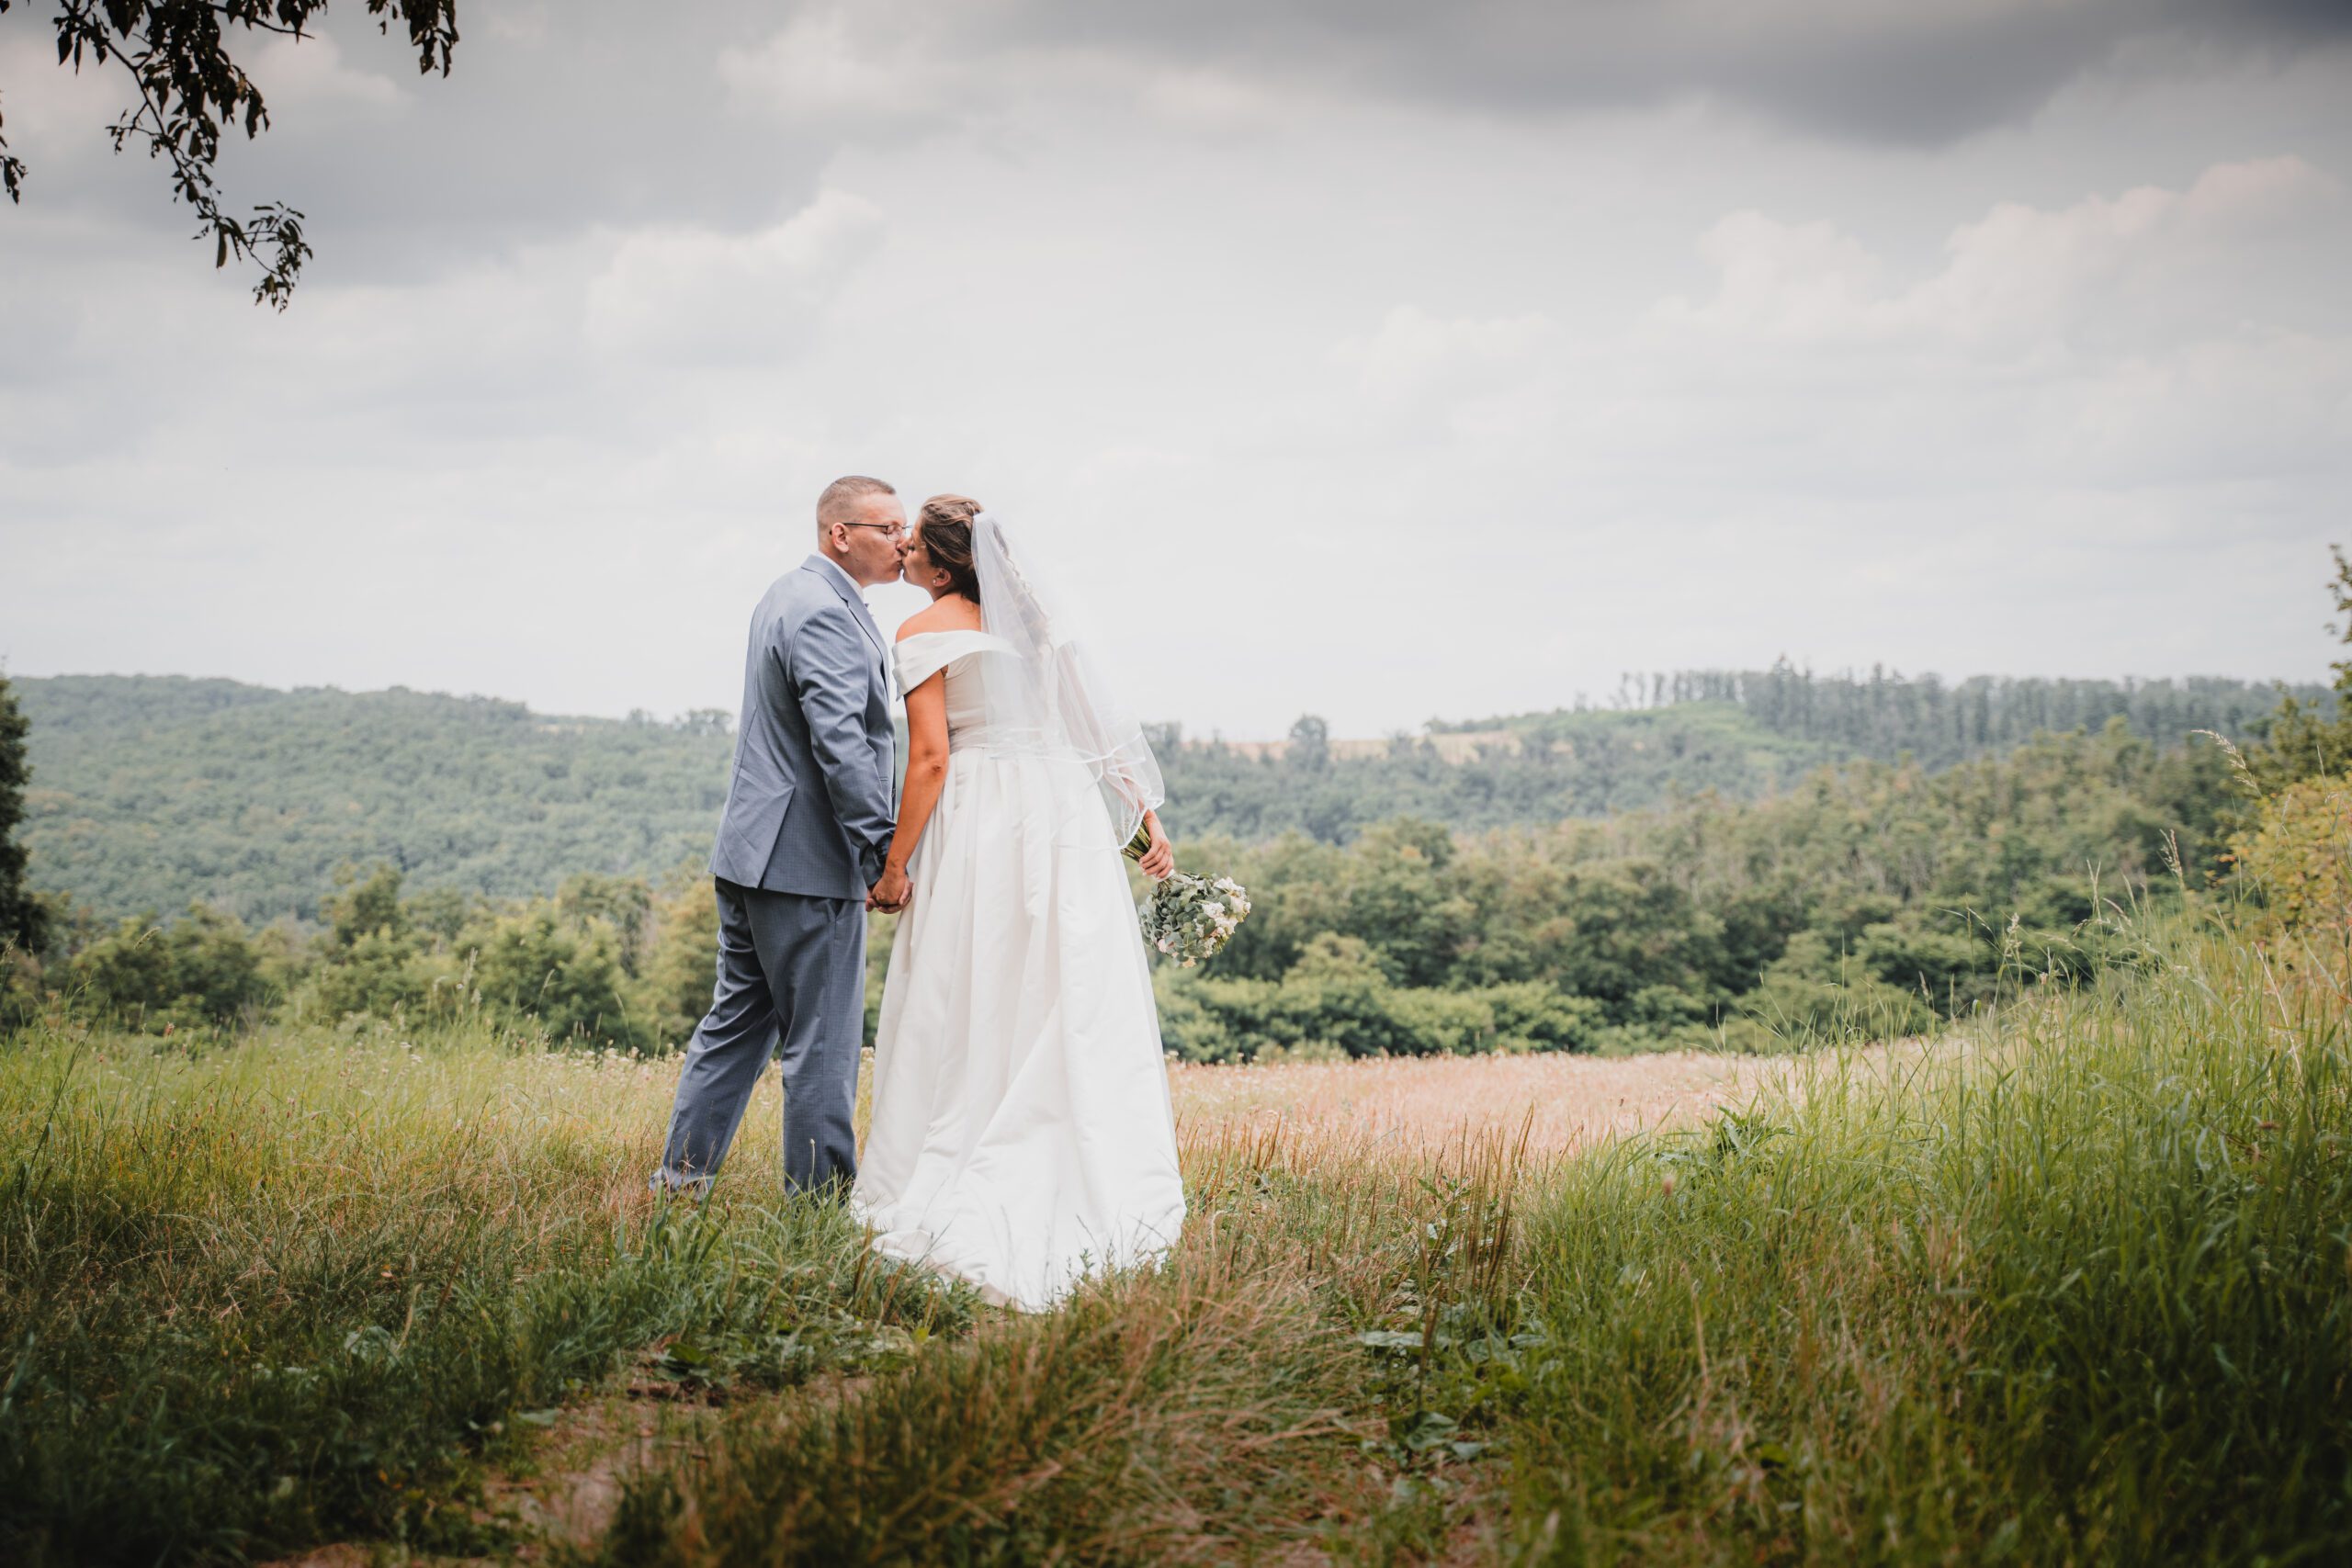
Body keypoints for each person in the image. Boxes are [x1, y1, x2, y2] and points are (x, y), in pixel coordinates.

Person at [850, 495, 1186, 1310]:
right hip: (1062, 813)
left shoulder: (923, 632)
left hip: (983, 818)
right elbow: (1096, 728)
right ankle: (1078, 1163)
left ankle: (959, 1149)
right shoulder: (1040, 629)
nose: (901, 556)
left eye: (911, 547)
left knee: (969, 981)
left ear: (938, 563)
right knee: (1064, 988)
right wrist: (1147, 819)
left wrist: (894, 866)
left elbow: (930, 759)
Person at [650, 475, 908, 1195]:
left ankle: (678, 1185)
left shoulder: (786, 593)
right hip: (805, 863)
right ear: (839, 534)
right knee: (821, 1045)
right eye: (886, 528)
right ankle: (818, 1212)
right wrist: (879, 855)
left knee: (735, 1025)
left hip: (749, 854)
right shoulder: (825, 611)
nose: (903, 540)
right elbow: (843, 745)